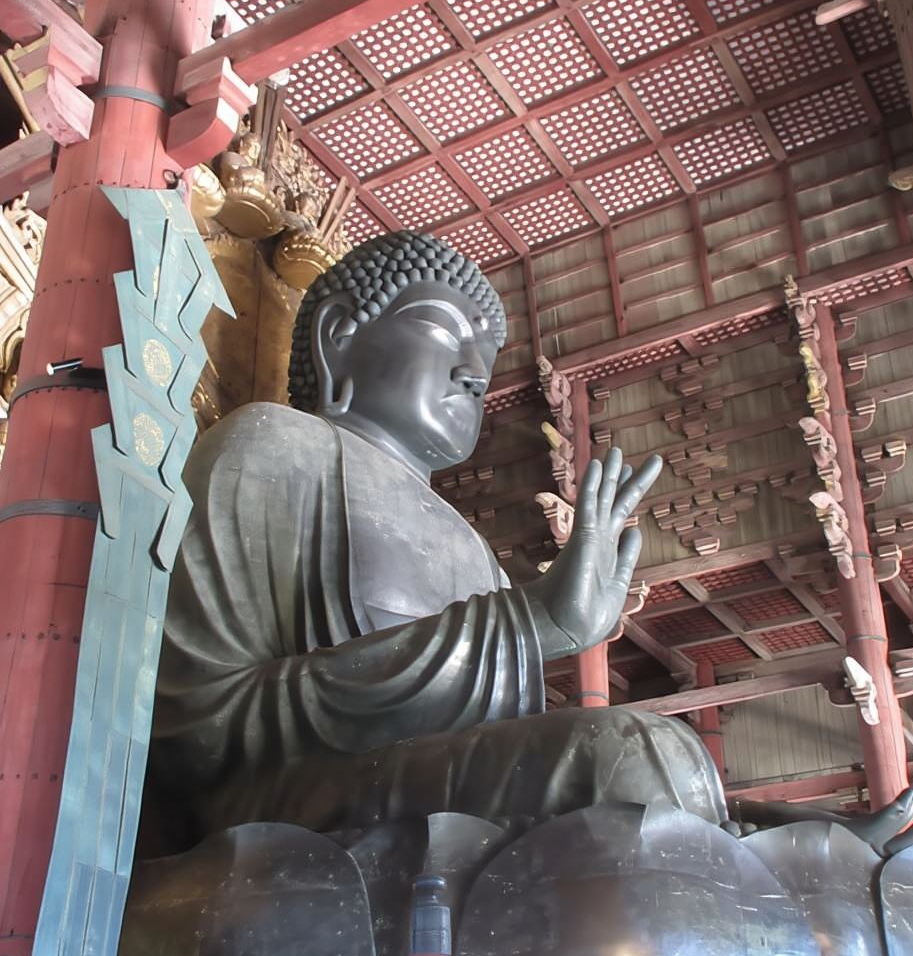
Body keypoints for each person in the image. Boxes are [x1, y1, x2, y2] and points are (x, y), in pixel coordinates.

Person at [148, 230, 731, 851]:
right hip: (282, 803)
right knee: (635, 759)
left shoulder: (477, 551)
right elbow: (196, 732)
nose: (475, 375)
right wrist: (528, 622)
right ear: (338, 336)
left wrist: (521, 623)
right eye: (444, 331)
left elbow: (504, 749)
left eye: (485, 355)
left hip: (437, 794)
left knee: (715, 791)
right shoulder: (275, 446)